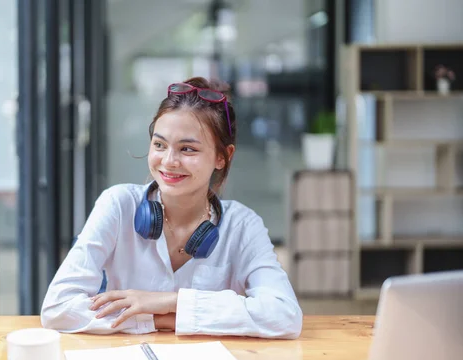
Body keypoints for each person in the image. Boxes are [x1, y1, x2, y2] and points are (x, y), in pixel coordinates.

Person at [40, 77, 302, 338]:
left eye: (187, 149)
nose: (169, 161)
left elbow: (284, 315)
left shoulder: (243, 225)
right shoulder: (118, 205)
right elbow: (58, 307)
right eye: (159, 144)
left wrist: (172, 302)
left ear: (223, 157)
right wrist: (159, 320)